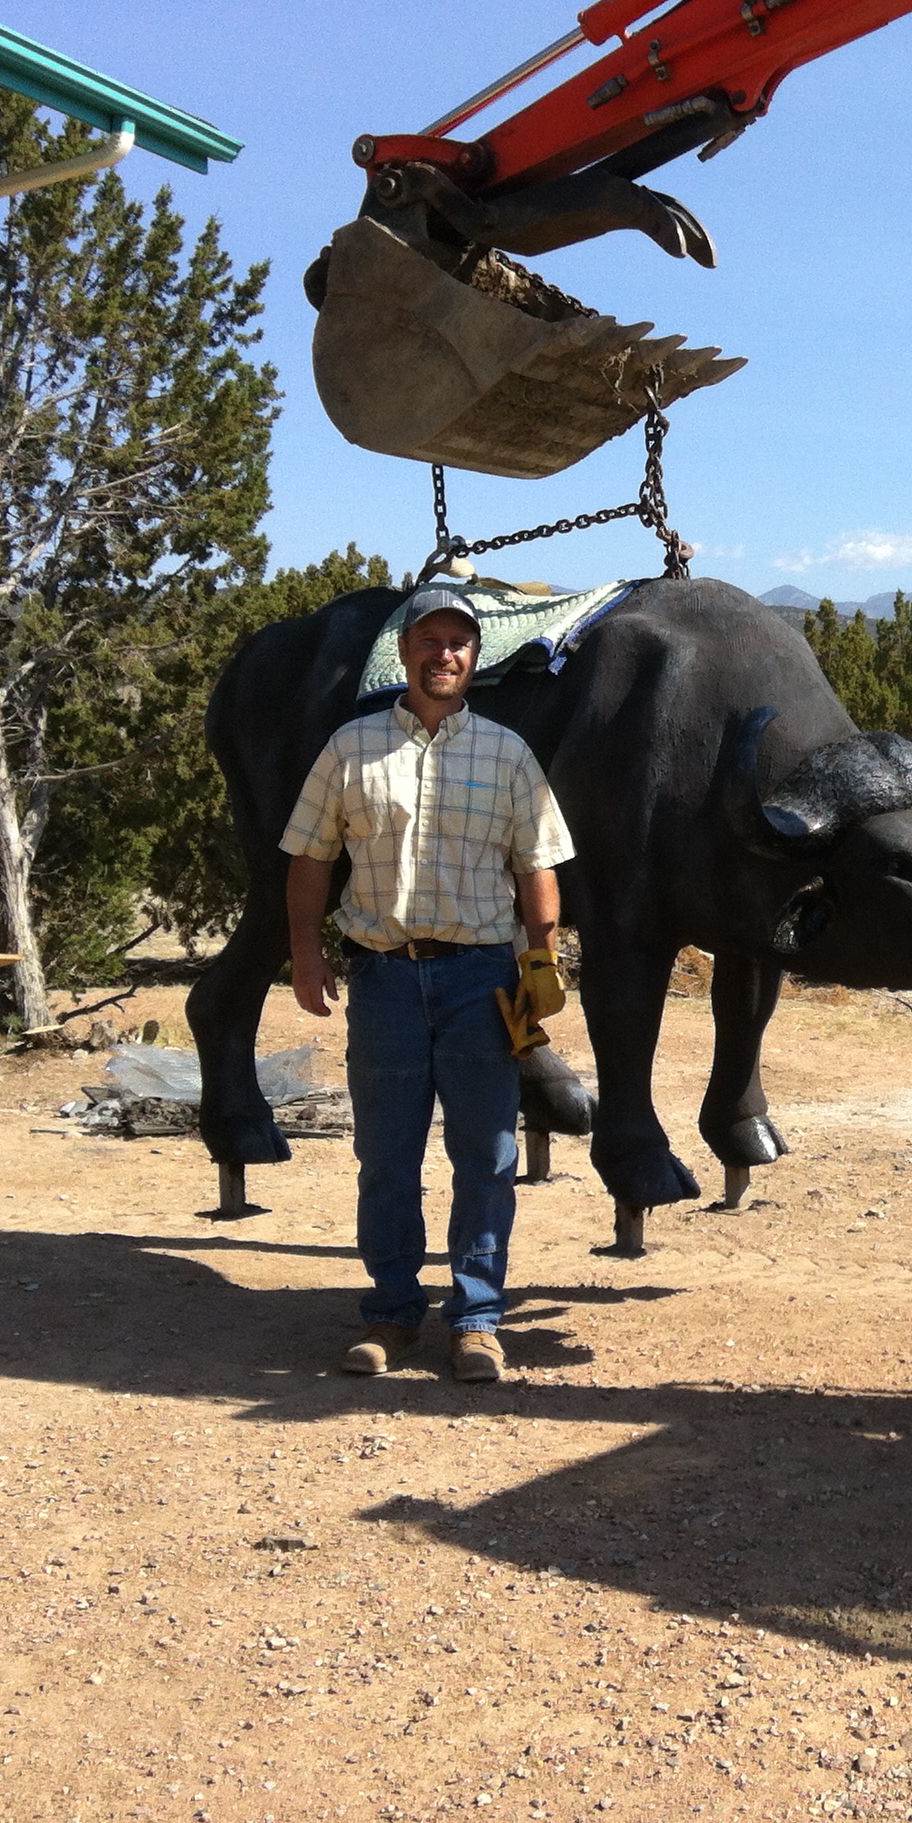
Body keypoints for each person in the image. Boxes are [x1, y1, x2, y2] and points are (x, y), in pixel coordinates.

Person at [278, 588, 573, 1382]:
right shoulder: (351, 748)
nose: (445, 654)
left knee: (487, 1156)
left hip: (481, 979)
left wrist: (542, 963)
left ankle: (475, 1322)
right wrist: (304, 954)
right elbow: (310, 856)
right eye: (431, 640)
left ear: (475, 658)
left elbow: (536, 866)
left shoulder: (508, 754)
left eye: (459, 643)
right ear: (404, 651)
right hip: (384, 980)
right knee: (386, 1157)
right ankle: (391, 1314)